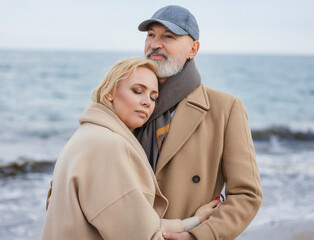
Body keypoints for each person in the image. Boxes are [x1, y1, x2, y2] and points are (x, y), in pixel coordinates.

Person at [41, 58, 220, 240]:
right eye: (137, 91)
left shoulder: (86, 135)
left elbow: (134, 223)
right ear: (109, 92)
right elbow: (143, 236)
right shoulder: (108, 145)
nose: (147, 102)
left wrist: (195, 221)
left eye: (153, 97)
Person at [136, 5, 263, 240]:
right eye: (151, 35)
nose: (154, 44)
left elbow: (247, 194)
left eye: (168, 37)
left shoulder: (225, 109)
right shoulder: (125, 102)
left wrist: (198, 235)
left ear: (193, 49)